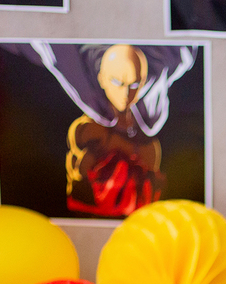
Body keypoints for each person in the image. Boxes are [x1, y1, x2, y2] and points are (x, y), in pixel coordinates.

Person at [65, 45, 166, 217]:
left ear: (143, 83)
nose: (126, 92)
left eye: (134, 84)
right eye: (117, 82)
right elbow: (78, 190)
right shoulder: (89, 131)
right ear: (102, 79)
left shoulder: (149, 144)